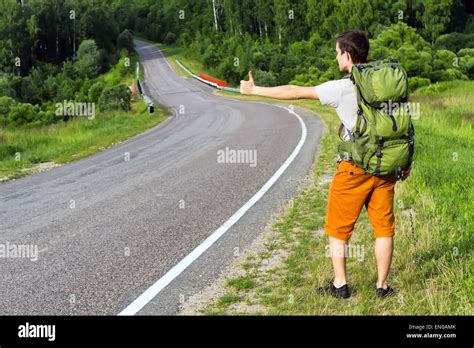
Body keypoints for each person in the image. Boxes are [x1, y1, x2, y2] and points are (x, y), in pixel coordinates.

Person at [240, 30, 409, 299]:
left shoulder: (342, 88)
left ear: (347, 55)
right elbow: (400, 126)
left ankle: (340, 285)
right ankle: (382, 287)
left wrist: (255, 90)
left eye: (337, 52)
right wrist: (404, 163)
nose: (336, 57)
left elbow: (295, 92)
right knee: (384, 228)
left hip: (354, 167)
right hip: (386, 166)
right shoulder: (385, 83)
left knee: (338, 227)